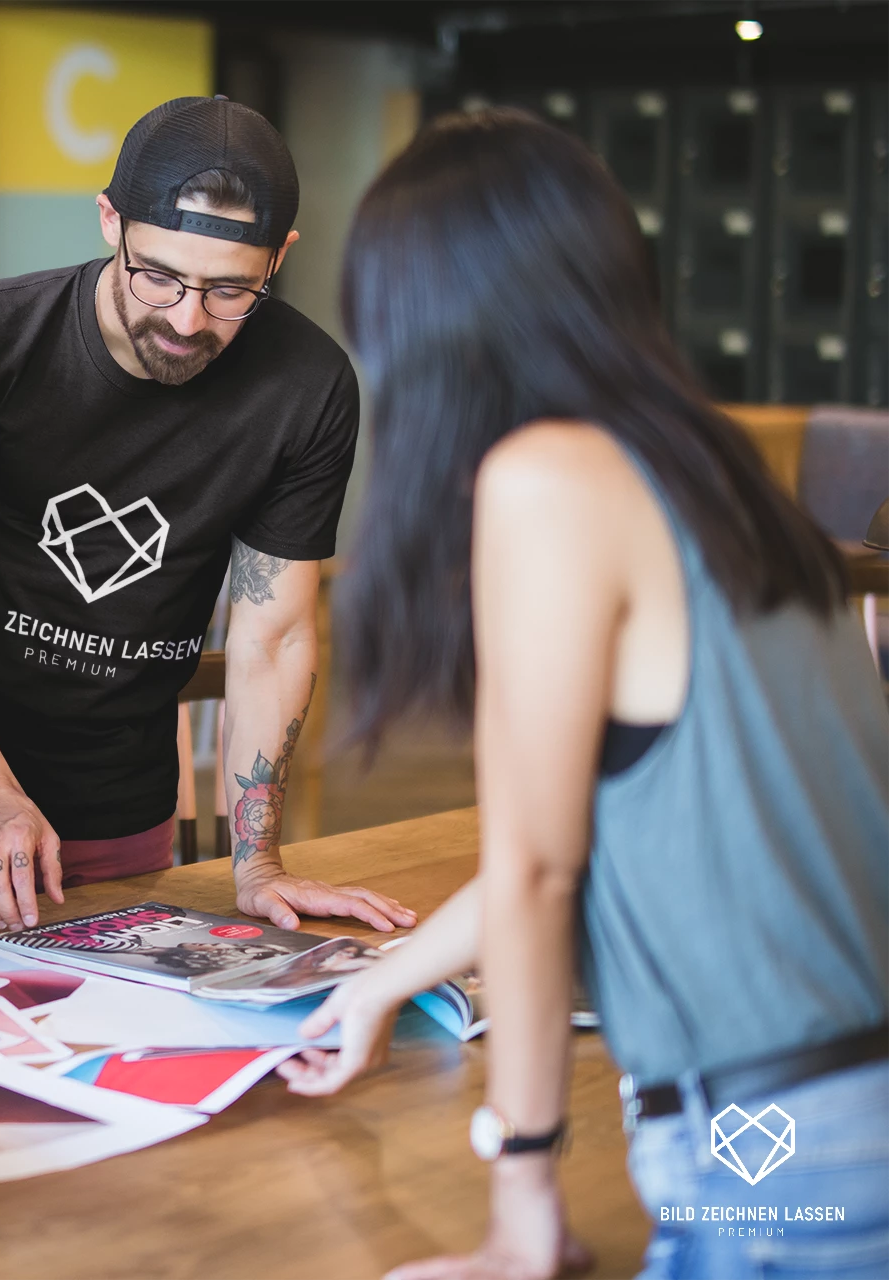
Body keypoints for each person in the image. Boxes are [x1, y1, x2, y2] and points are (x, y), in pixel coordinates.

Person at [273, 110, 889, 1280]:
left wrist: (522, 1201)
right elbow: (574, 843)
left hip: (777, 1146)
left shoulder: (544, 478)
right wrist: (383, 985)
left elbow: (540, 872)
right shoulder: (708, 471)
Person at [0, 95, 417, 936]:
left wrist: (256, 859)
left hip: (127, 815)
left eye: (233, 289)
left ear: (281, 257)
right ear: (109, 222)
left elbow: (273, 636)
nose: (188, 320)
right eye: (157, 275)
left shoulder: (306, 388)